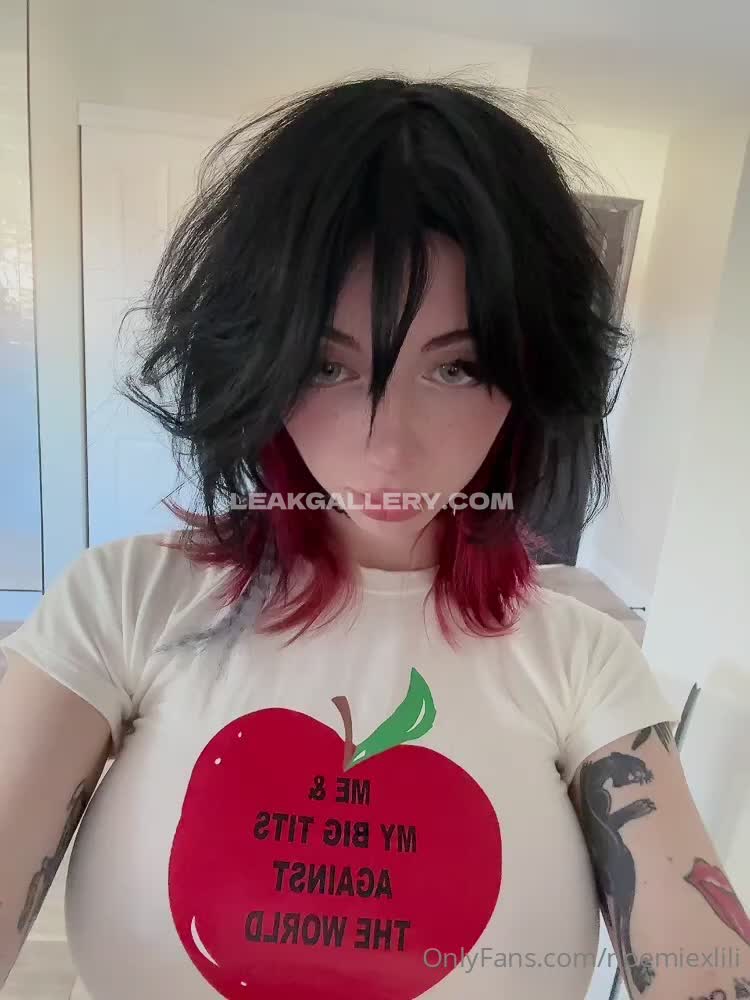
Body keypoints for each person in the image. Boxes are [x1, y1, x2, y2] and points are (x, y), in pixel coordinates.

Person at [1, 75, 748, 1000]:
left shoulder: (583, 658)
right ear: (256, 363)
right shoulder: (125, 603)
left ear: (531, 380)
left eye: (457, 367)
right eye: (327, 364)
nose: (388, 447)